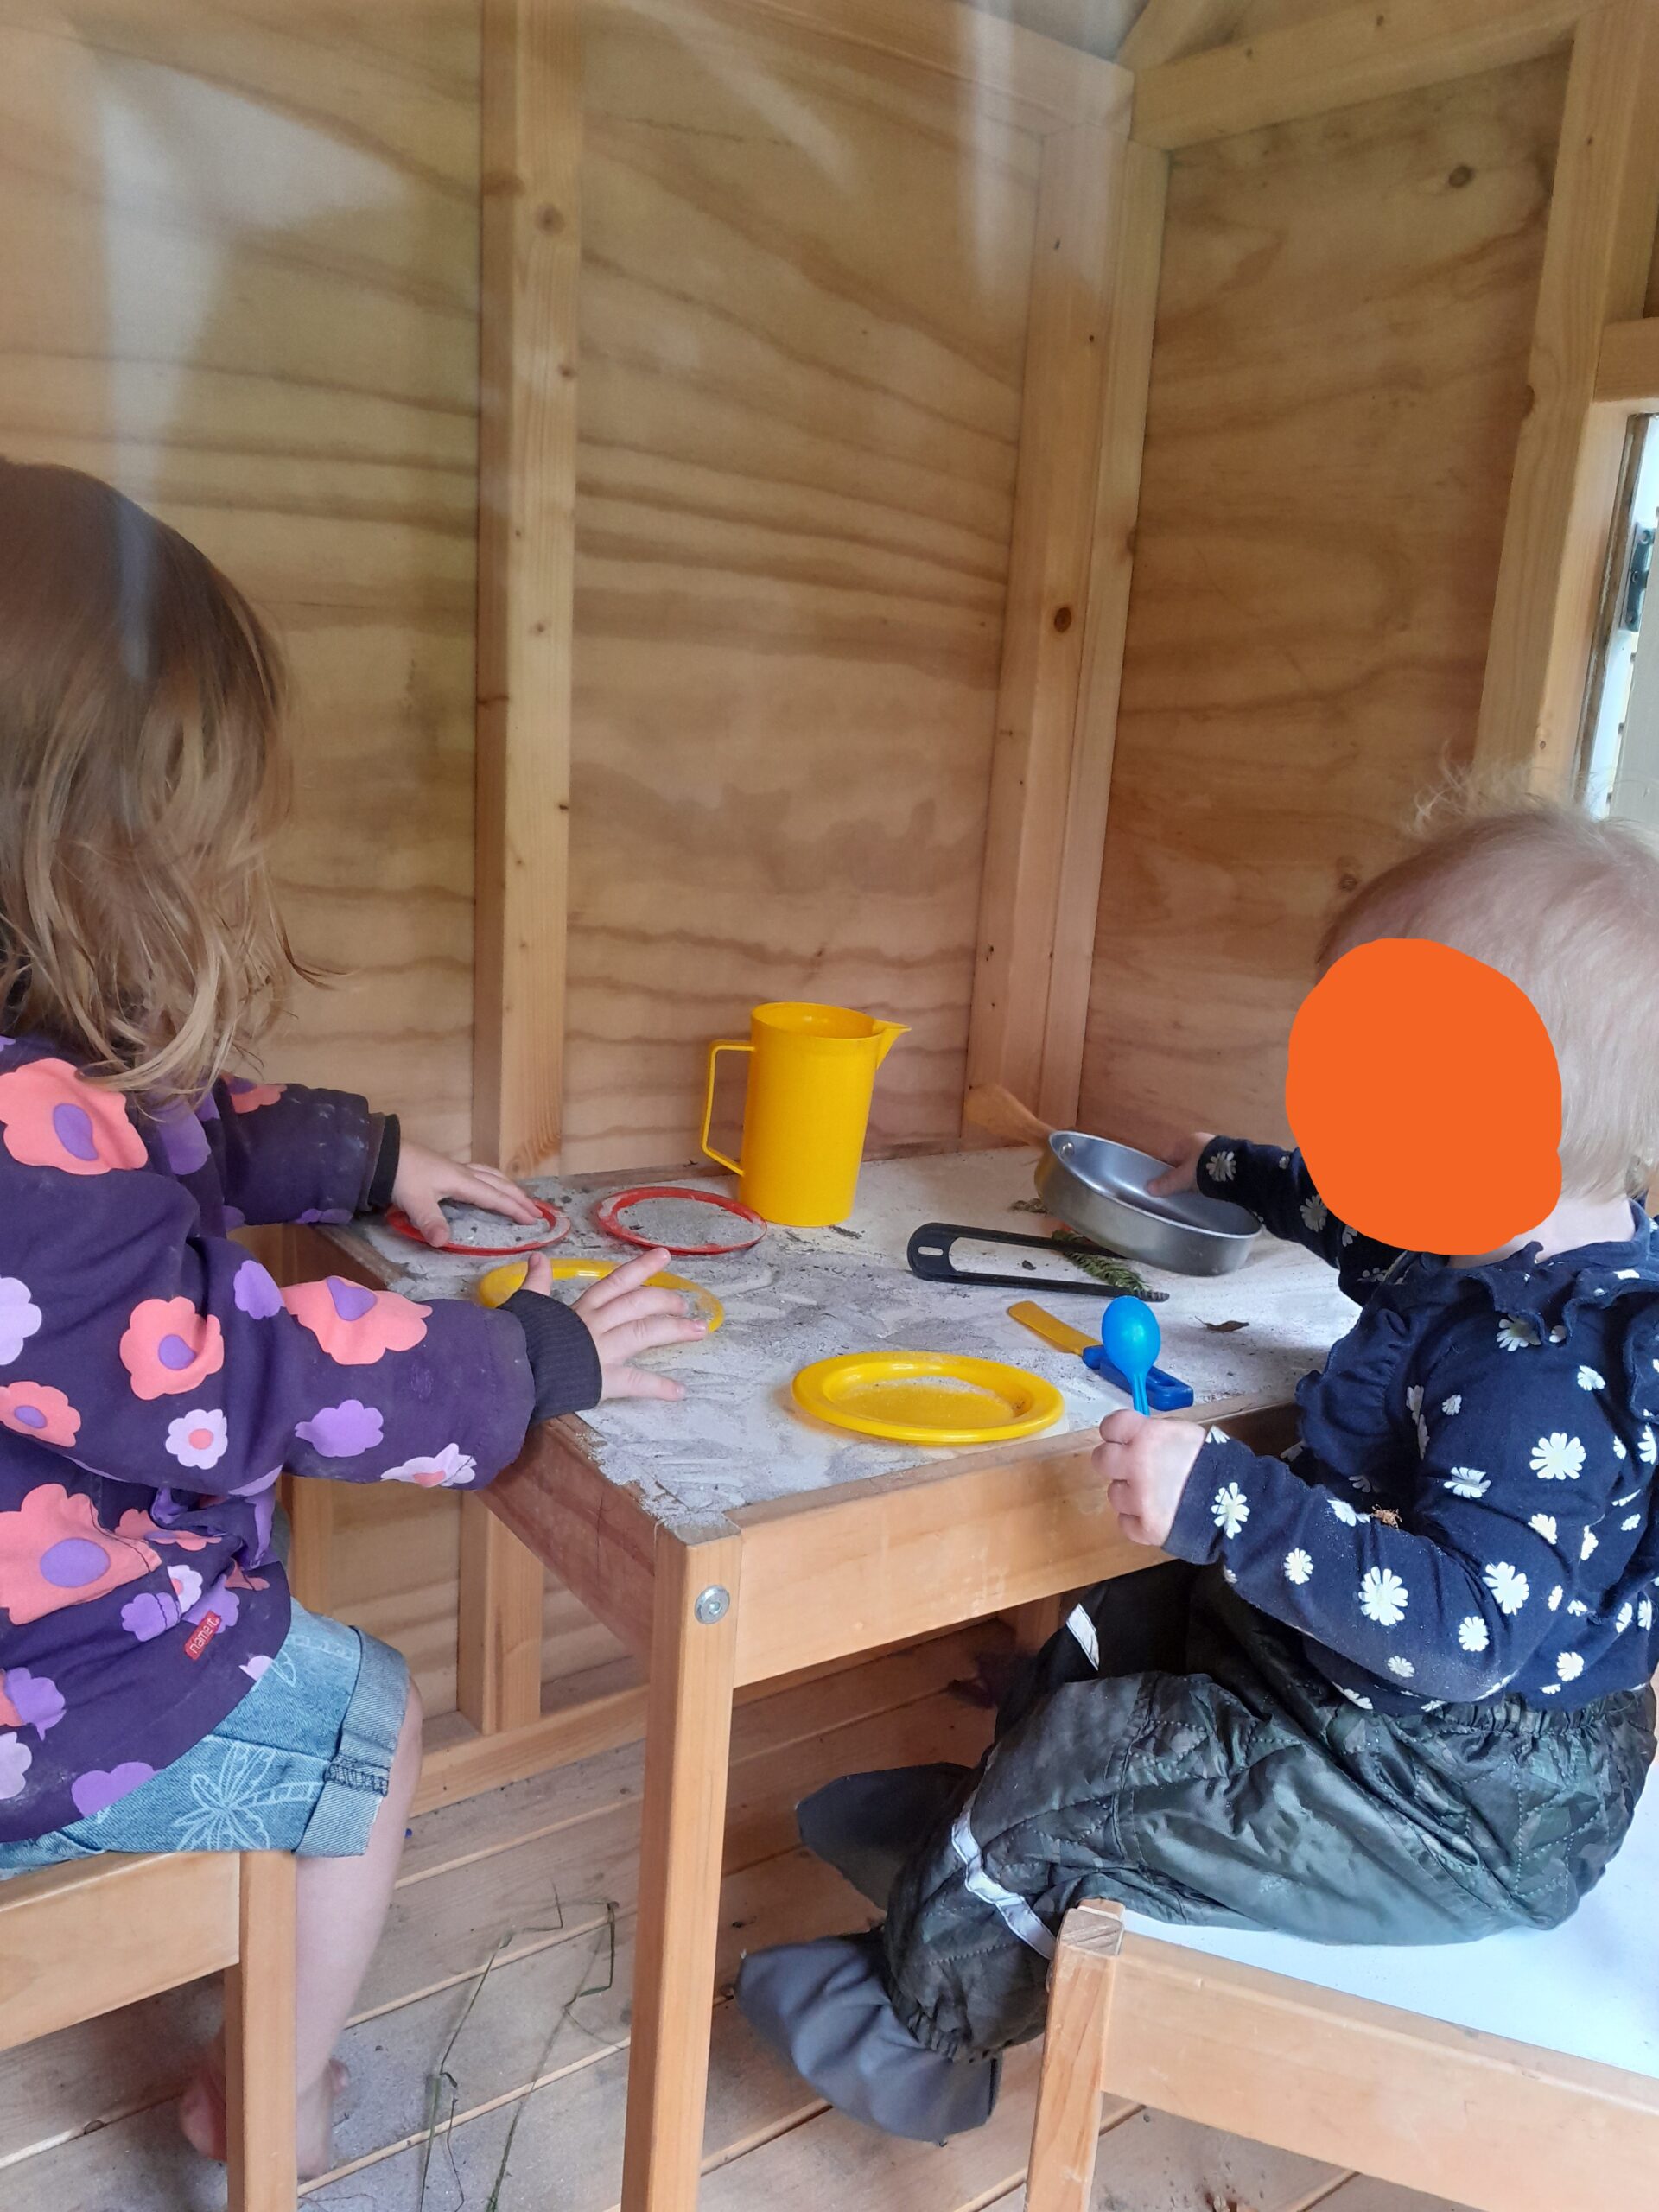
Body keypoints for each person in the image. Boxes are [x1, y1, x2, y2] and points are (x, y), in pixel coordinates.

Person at [737, 802, 1659, 2142]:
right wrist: (1228, 1173)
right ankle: (975, 1850)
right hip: (1374, 1711)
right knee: (1125, 1617)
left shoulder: (1542, 1377)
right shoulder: (1492, 1225)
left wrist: (1236, 1501)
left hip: (1459, 1799)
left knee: (1090, 1761)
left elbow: (1463, 1631)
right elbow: (1354, 1222)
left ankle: (917, 2028)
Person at [0, 459, 703, 2175]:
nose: (209, 871)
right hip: (39, 1686)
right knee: (362, 1725)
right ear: (66, 843)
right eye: (178, 837)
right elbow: (229, 1381)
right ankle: (273, 2097)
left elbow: (161, 1128)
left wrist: (368, 1158)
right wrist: (525, 1357)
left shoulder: (39, 1065)